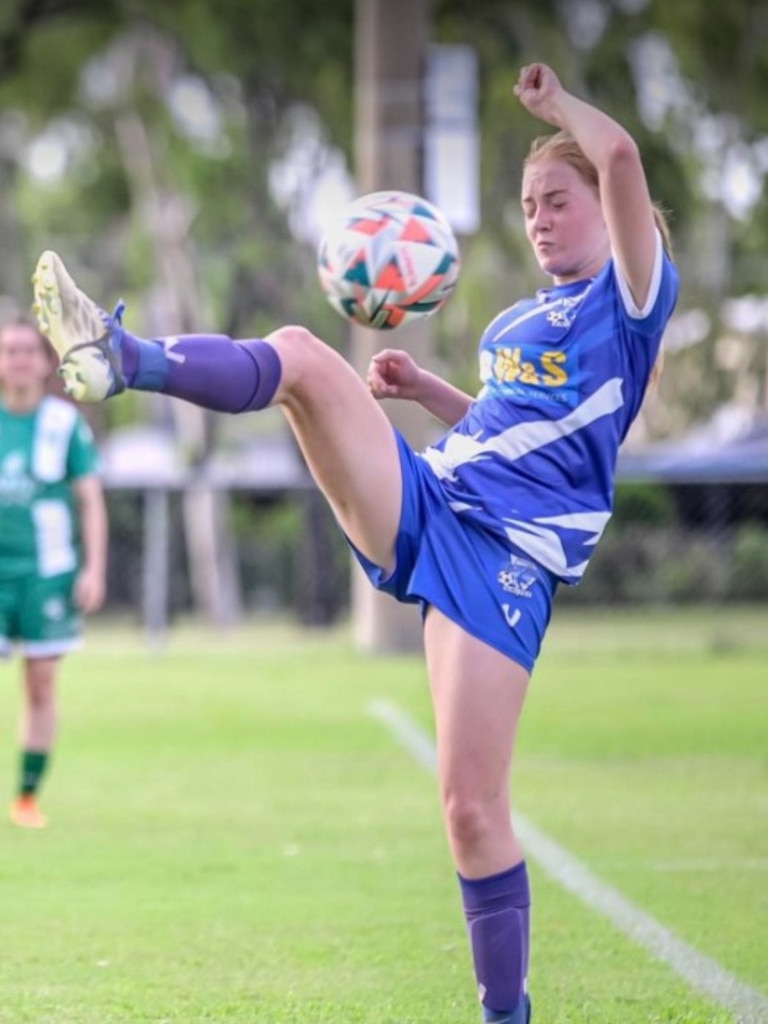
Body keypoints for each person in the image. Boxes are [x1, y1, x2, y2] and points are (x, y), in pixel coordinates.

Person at [31, 62, 677, 1023]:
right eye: (529, 203)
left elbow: (619, 153)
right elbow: (504, 425)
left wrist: (555, 110)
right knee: (300, 353)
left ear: (608, 209)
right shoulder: (515, 321)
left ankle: (507, 1014)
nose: (539, 218)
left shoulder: (628, 301)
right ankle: (122, 358)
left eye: (558, 200)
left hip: (508, 559)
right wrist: (426, 392)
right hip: (437, 499)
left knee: (470, 811)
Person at [0, 316, 107, 829]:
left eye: (28, 350)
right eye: (9, 350)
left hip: (47, 573)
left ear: (46, 363)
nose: (19, 359)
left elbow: (90, 499)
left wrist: (94, 569)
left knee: (39, 685)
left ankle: (25, 797)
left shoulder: (64, 424)